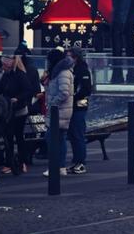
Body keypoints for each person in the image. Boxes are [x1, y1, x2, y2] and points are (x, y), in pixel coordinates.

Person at [42, 48, 74, 178]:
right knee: (60, 139)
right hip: (61, 111)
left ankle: (55, 167)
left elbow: (64, 92)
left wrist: (52, 103)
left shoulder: (62, 73)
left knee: (52, 139)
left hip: (59, 112)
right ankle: (60, 167)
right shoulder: (61, 71)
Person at [0, 56, 32, 175]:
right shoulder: (7, 75)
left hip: (18, 110)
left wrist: (17, 98)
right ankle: (11, 162)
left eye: (4, 65)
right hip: (9, 109)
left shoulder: (19, 75)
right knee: (10, 136)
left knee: (16, 136)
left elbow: (28, 90)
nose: (3, 67)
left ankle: (19, 161)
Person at [67, 47, 92, 175]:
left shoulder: (82, 69)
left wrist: (73, 96)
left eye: (70, 55)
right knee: (74, 134)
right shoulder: (74, 68)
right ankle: (77, 161)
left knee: (77, 134)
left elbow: (86, 88)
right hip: (74, 104)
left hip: (78, 105)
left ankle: (80, 162)